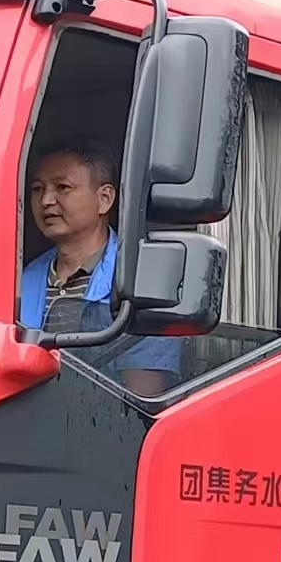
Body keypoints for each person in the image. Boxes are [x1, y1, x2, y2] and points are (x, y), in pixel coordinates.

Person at [20, 138, 177, 397]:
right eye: (37, 188)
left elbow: (139, 400)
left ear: (104, 199)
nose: (46, 200)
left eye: (63, 187)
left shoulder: (139, 280)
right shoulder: (22, 279)